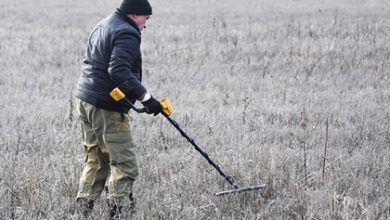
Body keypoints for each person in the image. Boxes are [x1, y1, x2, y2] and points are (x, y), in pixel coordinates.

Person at [74, 0, 162, 218]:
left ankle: (81, 211)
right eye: (146, 18)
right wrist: (147, 98)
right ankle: (118, 212)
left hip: (85, 99)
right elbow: (119, 70)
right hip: (106, 106)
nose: (146, 24)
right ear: (135, 15)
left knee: (96, 159)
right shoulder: (127, 33)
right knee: (125, 164)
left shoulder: (103, 24)